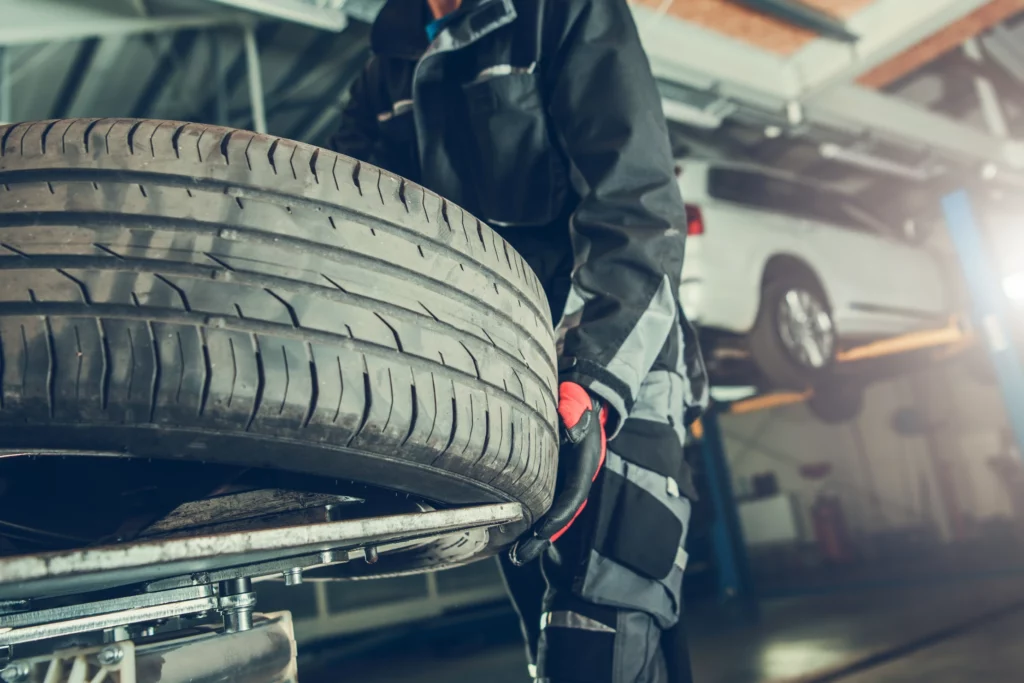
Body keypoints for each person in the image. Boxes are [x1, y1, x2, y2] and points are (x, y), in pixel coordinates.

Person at [330, 0, 707, 680]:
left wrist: (593, 385)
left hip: (613, 362)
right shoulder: (384, 69)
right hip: (504, 389)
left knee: (597, 625)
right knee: (552, 634)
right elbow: (343, 226)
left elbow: (638, 210)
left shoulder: (562, 13)